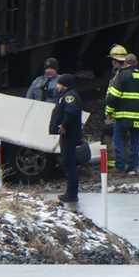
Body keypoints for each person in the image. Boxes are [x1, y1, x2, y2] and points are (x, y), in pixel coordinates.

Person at [104, 53, 139, 175]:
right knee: (135, 142)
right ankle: (133, 167)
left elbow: (112, 97)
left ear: (126, 63)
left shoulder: (122, 76)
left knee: (118, 140)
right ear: (136, 63)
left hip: (123, 116)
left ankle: (120, 167)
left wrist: (109, 112)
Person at [48, 73, 83, 203]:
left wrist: (63, 125)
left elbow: (71, 112)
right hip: (67, 135)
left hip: (69, 135)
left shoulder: (70, 96)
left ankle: (72, 194)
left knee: (70, 164)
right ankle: (70, 192)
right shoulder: (66, 95)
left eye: (59, 83)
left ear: (64, 85)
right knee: (68, 163)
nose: (57, 86)